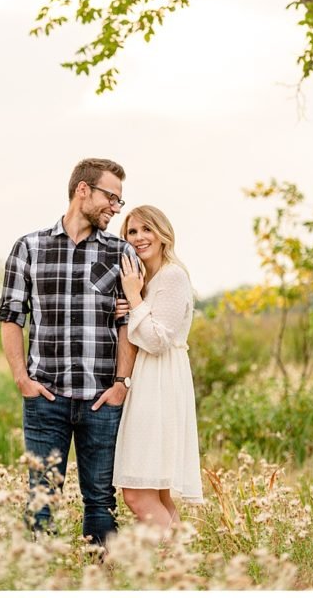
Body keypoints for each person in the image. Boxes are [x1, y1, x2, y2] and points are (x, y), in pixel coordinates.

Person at [0, 158, 138, 548]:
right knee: (41, 499)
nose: (115, 207)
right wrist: (21, 379)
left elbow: (129, 322)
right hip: (45, 397)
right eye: (111, 197)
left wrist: (122, 384)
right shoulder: (29, 247)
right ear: (83, 191)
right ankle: (39, 579)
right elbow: (11, 317)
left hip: (101, 400)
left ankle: (102, 583)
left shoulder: (121, 252)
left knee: (100, 502)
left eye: (119, 201)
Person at [113, 206, 204, 527]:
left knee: (138, 494)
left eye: (146, 230)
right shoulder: (147, 279)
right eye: (132, 232)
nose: (138, 238)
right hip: (149, 381)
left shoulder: (172, 276)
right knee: (159, 494)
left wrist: (134, 300)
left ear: (163, 234)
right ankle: (178, 571)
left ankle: (166, 571)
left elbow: (156, 340)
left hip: (160, 384)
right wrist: (127, 307)